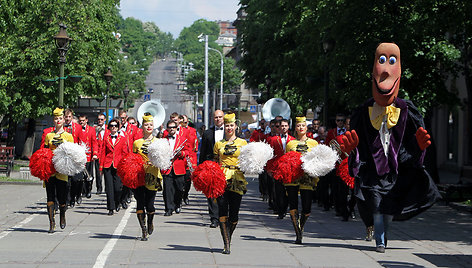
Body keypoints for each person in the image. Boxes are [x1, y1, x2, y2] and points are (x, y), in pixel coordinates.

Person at [343, 43, 440, 253]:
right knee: (378, 207)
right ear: (373, 71)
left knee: (387, 210)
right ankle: (380, 240)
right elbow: (357, 145)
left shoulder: (407, 110)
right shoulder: (363, 112)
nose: (386, 69)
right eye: (381, 61)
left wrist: (419, 147)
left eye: (392, 61)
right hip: (373, 173)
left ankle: (383, 235)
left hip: (397, 172)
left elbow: (412, 145)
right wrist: (354, 151)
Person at [213, 113, 248, 254]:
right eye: (227, 125)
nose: (229, 128)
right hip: (221, 178)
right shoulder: (218, 144)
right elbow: (215, 162)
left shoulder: (243, 143)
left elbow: (247, 161)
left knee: (234, 214)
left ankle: (229, 236)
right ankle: (226, 243)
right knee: (222, 209)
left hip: (237, 178)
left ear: (236, 127)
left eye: (231, 125)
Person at [284, 116, 319, 244]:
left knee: (307, 207)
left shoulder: (313, 143)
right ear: (295, 128)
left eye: (302, 125)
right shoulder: (290, 144)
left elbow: (317, 159)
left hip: (307, 176)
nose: (300, 128)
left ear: (306, 127)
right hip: (292, 177)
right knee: (292, 204)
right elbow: (286, 159)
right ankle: (298, 233)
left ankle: (301, 226)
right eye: (298, 126)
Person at [41, 107, 74, 233]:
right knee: (50, 196)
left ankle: (62, 215)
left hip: (62, 169)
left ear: (64, 120)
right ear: (53, 120)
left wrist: (63, 147)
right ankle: (51, 223)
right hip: (50, 169)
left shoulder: (68, 136)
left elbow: (72, 153)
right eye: (56, 118)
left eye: (60, 118)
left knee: (62, 197)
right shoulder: (48, 135)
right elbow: (43, 152)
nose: (58, 120)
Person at [132, 113, 163, 241]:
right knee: (140, 203)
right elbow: (132, 159)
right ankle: (143, 230)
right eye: (146, 125)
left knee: (150, 204)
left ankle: (150, 221)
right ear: (142, 126)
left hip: (153, 175)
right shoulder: (136, 143)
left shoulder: (158, 142)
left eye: (150, 125)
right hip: (139, 176)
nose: (148, 127)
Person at [199, 110, 224, 228]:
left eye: (220, 117)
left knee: (223, 193)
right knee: (211, 193)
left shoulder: (230, 132)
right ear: (213, 119)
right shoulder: (208, 133)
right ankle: (214, 218)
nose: (218, 119)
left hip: (224, 166)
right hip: (210, 166)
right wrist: (200, 168)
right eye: (216, 117)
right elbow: (203, 152)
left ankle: (223, 216)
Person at [100, 118, 130, 215]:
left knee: (118, 187)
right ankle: (110, 208)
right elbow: (103, 153)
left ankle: (118, 202)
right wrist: (101, 167)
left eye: (115, 126)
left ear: (118, 127)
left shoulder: (123, 139)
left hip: (118, 165)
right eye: (111, 126)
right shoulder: (106, 139)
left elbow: (125, 153)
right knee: (109, 188)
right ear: (109, 127)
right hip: (107, 165)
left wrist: (125, 165)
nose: (113, 127)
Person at [266, 119, 295, 219]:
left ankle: (286, 207)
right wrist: (269, 168)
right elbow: (270, 155)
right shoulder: (273, 139)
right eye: (281, 126)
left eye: (285, 126)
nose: (283, 128)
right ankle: (280, 210)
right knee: (278, 190)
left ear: (288, 127)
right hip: (277, 168)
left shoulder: (293, 140)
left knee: (288, 189)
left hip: (289, 168)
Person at [162, 120, 189, 216]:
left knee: (179, 188)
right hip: (167, 167)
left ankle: (177, 204)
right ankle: (168, 209)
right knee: (167, 189)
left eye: (173, 127)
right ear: (167, 129)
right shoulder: (163, 139)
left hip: (179, 167)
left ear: (176, 128)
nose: (172, 129)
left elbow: (187, 151)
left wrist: (181, 153)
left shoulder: (182, 139)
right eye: (170, 127)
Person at [77, 115, 98, 199]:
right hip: (79, 155)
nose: (81, 122)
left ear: (86, 120)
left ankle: (88, 189)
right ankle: (81, 192)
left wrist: (95, 153)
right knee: (80, 175)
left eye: (83, 120)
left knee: (89, 174)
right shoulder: (77, 129)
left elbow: (94, 142)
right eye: (80, 121)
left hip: (88, 155)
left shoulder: (92, 130)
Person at [180, 114, 198, 206]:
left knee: (188, 179)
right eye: (181, 122)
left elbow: (195, 145)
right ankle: (179, 197)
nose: (183, 124)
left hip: (190, 158)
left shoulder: (192, 130)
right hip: (179, 158)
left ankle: (185, 194)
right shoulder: (178, 131)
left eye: (185, 122)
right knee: (179, 180)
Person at [94, 113, 107, 194]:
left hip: (105, 153)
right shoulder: (94, 129)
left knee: (106, 171)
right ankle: (99, 188)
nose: (100, 121)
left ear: (105, 120)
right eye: (99, 119)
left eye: (102, 119)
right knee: (98, 172)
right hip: (98, 153)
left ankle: (107, 187)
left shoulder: (108, 129)